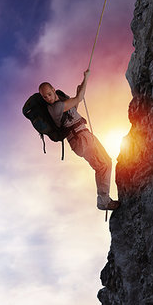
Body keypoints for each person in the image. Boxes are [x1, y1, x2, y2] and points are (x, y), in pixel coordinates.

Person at [38, 70, 120, 211]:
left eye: (49, 94)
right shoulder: (55, 108)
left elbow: (75, 106)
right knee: (102, 166)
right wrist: (86, 78)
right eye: (45, 97)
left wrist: (80, 87)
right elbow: (79, 98)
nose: (48, 98)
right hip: (80, 139)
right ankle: (103, 201)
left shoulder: (62, 103)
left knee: (106, 162)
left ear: (53, 90)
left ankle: (104, 199)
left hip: (83, 135)